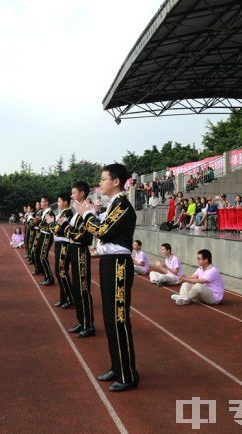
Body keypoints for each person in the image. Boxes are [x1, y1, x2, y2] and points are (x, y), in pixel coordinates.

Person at [73, 163, 139, 392]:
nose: (100, 183)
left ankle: (128, 373)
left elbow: (102, 231)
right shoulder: (113, 205)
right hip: (109, 263)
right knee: (110, 319)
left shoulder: (123, 205)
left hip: (119, 265)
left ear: (116, 182)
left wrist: (87, 214)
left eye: (103, 179)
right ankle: (117, 365)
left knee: (119, 318)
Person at [64, 181, 95, 338]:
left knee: (83, 288)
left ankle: (88, 324)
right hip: (74, 249)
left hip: (81, 251)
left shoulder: (87, 211)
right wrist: (68, 231)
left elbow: (85, 236)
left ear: (82, 193)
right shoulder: (77, 211)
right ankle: (81, 321)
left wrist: (68, 231)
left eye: (74, 192)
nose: (72, 195)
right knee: (77, 288)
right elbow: (69, 230)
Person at [45, 193, 74, 309]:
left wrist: (51, 222)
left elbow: (56, 229)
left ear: (65, 202)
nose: (58, 203)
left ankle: (70, 298)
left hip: (64, 244)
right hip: (59, 243)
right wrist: (52, 223)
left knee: (61, 271)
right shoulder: (62, 213)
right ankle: (63, 298)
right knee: (58, 271)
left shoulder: (67, 213)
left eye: (59, 201)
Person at [35, 196, 55, 285]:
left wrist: (38, 224)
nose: (41, 203)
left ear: (47, 202)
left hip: (47, 236)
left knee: (43, 257)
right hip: (42, 235)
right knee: (41, 256)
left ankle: (49, 278)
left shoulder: (49, 212)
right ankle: (47, 277)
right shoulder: (44, 212)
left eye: (42, 201)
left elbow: (49, 227)